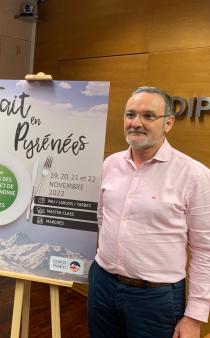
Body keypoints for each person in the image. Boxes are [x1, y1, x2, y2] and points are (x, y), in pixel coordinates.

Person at [87, 86, 210, 338]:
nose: (136, 123)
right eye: (130, 114)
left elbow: (204, 249)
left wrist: (195, 316)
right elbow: (103, 218)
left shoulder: (194, 175)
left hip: (155, 299)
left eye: (148, 116)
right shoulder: (110, 164)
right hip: (103, 285)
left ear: (168, 123)